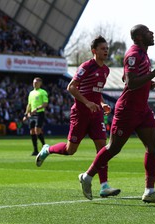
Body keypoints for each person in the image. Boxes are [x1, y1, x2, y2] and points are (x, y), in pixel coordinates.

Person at [78, 24, 155, 204]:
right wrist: (154, 74)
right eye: (147, 32)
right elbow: (131, 82)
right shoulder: (134, 54)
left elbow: (126, 79)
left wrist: (147, 83)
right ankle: (87, 176)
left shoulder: (143, 54)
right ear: (140, 37)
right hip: (127, 110)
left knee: (153, 147)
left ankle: (149, 191)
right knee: (113, 148)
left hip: (142, 109)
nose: (152, 33)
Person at [35, 36, 120, 198]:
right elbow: (71, 87)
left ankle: (104, 186)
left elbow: (97, 92)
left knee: (103, 149)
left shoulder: (106, 70)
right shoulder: (86, 66)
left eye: (107, 48)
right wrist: (87, 103)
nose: (106, 51)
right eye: (103, 48)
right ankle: (48, 149)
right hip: (80, 114)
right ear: (94, 51)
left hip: (96, 115)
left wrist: (101, 104)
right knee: (70, 150)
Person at [23, 77, 48, 156]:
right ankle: (35, 150)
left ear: (40, 83)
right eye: (34, 82)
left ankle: (45, 147)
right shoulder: (31, 93)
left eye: (36, 82)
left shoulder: (43, 92)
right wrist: (26, 114)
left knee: (37, 130)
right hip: (32, 114)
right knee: (32, 131)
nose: (35, 84)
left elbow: (45, 104)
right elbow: (29, 105)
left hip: (39, 113)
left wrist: (37, 108)